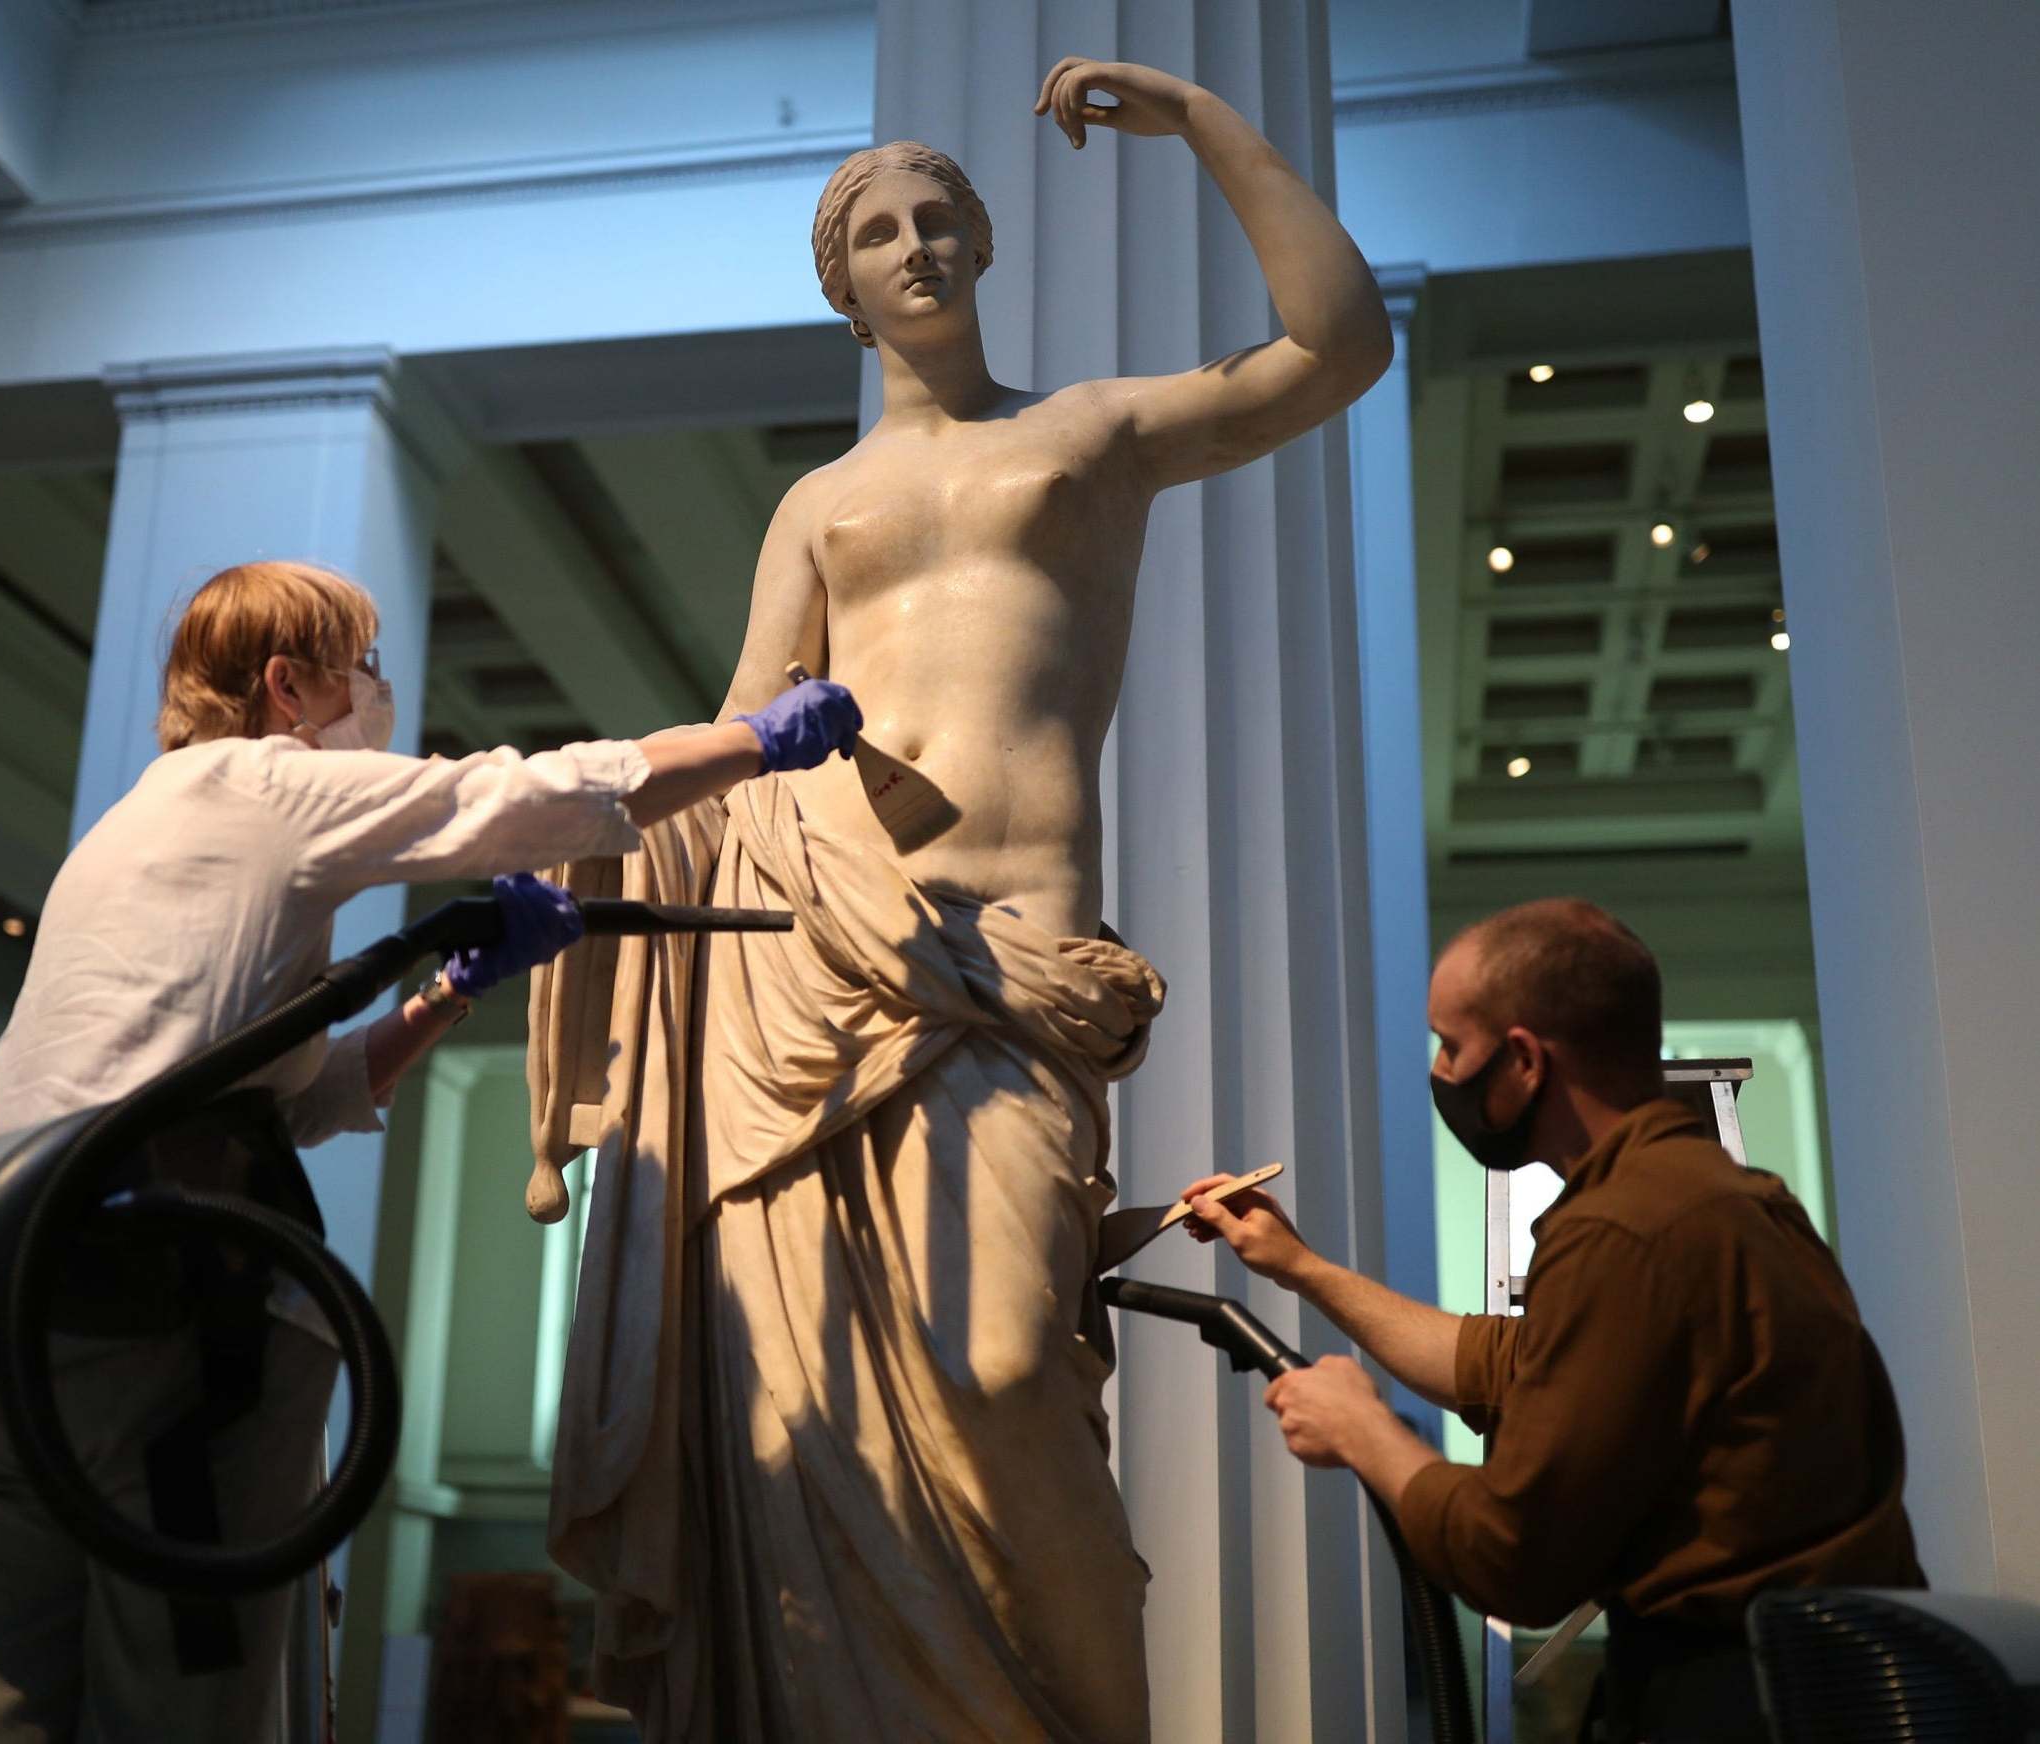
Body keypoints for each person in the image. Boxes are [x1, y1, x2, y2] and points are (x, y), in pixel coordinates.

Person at [526, 54, 1389, 1743]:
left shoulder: (1090, 435)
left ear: (981, 250)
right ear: (842, 289)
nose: (913, 247)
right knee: (817, 1417)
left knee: (1001, 1370)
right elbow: (744, 731)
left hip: (1006, 967)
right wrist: (595, 810)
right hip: (816, 962)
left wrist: (1211, 126)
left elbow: (1335, 348)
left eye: (938, 221)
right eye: (876, 234)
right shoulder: (816, 503)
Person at [0, 561, 858, 1744]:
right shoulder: (261, 782)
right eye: (363, 667)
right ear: (285, 684)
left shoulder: (140, 825)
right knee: (185, 1691)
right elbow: (527, 794)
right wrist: (750, 745)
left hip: (21, 1312)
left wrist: (447, 995)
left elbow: (278, 1099)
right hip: (168, 1326)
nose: (380, 692)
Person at [1183, 897, 1924, 1744]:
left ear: (1524, 1061)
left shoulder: (1623, 1231)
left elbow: (1515, 1559)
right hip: (1818, 1685)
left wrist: (1362, 1430)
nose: (1440, 1068)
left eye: (1451, 1045)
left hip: (1745, 1703)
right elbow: (1506, 1363)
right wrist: (1297, 1265)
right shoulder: (1707, 1195)